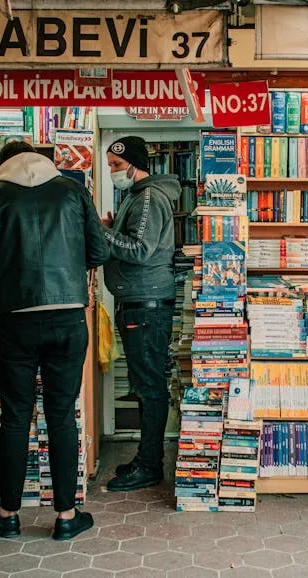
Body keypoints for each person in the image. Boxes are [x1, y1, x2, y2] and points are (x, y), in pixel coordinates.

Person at [0, 141, 109, 541]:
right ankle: (66, 516)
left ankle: (8, 514)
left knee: (14, 416)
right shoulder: (71, 191)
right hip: (67, 316)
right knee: (61, 414)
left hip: (14, 319)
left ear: (3, 165)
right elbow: (97, 251)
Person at [100, 136, 180, 492]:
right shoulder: (136, 196)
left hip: (146, 304)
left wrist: (99, 234)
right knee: (144, 383)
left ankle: (149, 465)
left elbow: (140, 248)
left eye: (116, 166)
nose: (113, 172)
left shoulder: (148, 196)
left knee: (149, 387)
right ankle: (146, 457)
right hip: (138, 302)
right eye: (110, 167)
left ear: (134, 164)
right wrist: (111, 229)